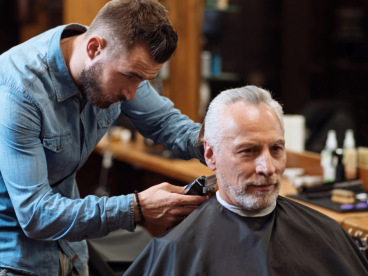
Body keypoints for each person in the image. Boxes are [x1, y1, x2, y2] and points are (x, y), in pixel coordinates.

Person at [0, 0, 208, 275]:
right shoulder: (17, 91)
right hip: (14, 258)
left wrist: (220, 147)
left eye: (141, 80)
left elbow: (165, 122)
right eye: (130, 77)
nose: (132, 94)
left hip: (72, 251)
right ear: (93, 48)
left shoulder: (113, 54)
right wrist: (136, 208)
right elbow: (35, 214)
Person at [124, 85, 368, 276]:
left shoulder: (326, 234)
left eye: (276, 149)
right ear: (210, 155)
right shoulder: (176, 249)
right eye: (248, 151)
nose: (268, 168)